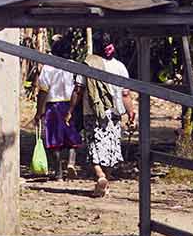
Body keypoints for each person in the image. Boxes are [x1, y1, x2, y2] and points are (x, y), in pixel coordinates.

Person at [82, 33, 134, 196]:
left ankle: (100, 176)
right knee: (111, 147)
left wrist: (70, 110)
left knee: (93, 146)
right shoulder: (120, 67)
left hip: (92, 112)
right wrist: (131, 112)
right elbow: (125, 94)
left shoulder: (89, 63)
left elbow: (79, 88)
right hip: (114, 112)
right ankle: (105, 180)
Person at [31, 35, 83, 181]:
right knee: (72, 137)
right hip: (71, 105)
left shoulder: (48, 67)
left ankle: (58, 172)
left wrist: (39, 111)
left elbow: (43, 91)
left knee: (54, 141)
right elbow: (78, 88)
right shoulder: (74, 66)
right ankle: (71, 163)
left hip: (53, 107)